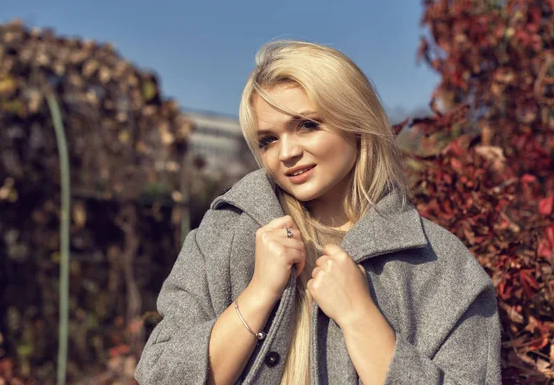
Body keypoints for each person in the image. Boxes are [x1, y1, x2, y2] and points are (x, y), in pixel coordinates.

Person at [134, 40, 501, 385]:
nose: (286, 153)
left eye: (306, 125)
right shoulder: (224, 235)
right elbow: (159, 376)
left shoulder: (441, 266)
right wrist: (258, 294)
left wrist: (360, 318)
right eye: (269, 140)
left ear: (357, 121)